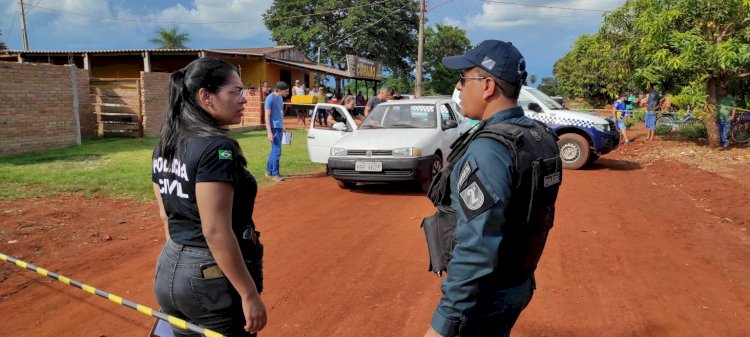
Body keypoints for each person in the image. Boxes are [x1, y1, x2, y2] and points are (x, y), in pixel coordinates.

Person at [421, 40, 562, 337]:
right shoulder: (537, 135)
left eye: (463, 78)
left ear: (487, 86)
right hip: (517, 283)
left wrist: (445, 321)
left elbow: (477, 246)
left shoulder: (489, 150)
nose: (458, 88)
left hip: (487, 297)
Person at [151, 57, 267, 337]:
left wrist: (185, 262)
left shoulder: (168, 142)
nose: (244, 99)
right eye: (236, 91)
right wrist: (249, 294)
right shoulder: (217, 148)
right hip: (207, 278)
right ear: (206, 96)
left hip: (170, 267)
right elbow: (215, 230)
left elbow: (166, 215)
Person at [265, 81, 289, 181]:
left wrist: (282, 125)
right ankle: (275, 174)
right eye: (286, 91)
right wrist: (269, 132)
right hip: (273, 128)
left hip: (278, 127)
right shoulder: (270, 98)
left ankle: (269, 171)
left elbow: (279, 112)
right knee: (277, 151)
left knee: (274, 150)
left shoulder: (280, 97)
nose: (287, 93)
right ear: (279, 90)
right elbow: (267, 115)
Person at [717, 84, 737, 150]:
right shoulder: (717, 97)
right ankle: (724, 144)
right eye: (720, 90)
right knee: (720, 132)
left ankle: (726, 144)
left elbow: (734, 107)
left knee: (725, 132)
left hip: (727, 118)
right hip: (719, 118)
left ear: (726, 90)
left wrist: (732, 116)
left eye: (723, 90)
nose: (721, 91)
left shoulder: (730, 98)